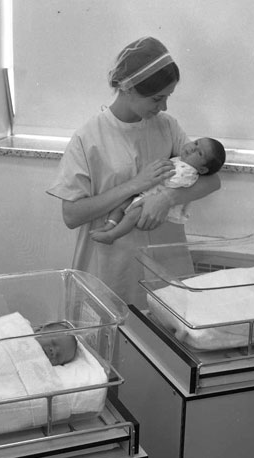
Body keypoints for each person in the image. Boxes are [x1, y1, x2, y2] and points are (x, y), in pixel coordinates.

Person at [46, 37, 221, 306]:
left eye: (167, 97)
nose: (163, 107)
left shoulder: (167, 127)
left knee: (163, 337)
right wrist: (135, 184)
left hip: (163, 261)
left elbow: (213, 181)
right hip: (111, 263)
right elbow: (72, 215)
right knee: (113, 336)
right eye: (157, 98)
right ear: (127, 88)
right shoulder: (89, 137)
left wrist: (165, 199)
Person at [90, 137, 226, 244]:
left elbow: (175, 182)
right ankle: (109, 225)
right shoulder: (179, 159)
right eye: (196, 143)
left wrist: (158, 177)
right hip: (145, 194)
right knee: (121, 205)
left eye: (199, 153)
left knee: (132, 215)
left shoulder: (189, 172)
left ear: (202, 170)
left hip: (152, 199)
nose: (192, 149)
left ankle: (111, 235)